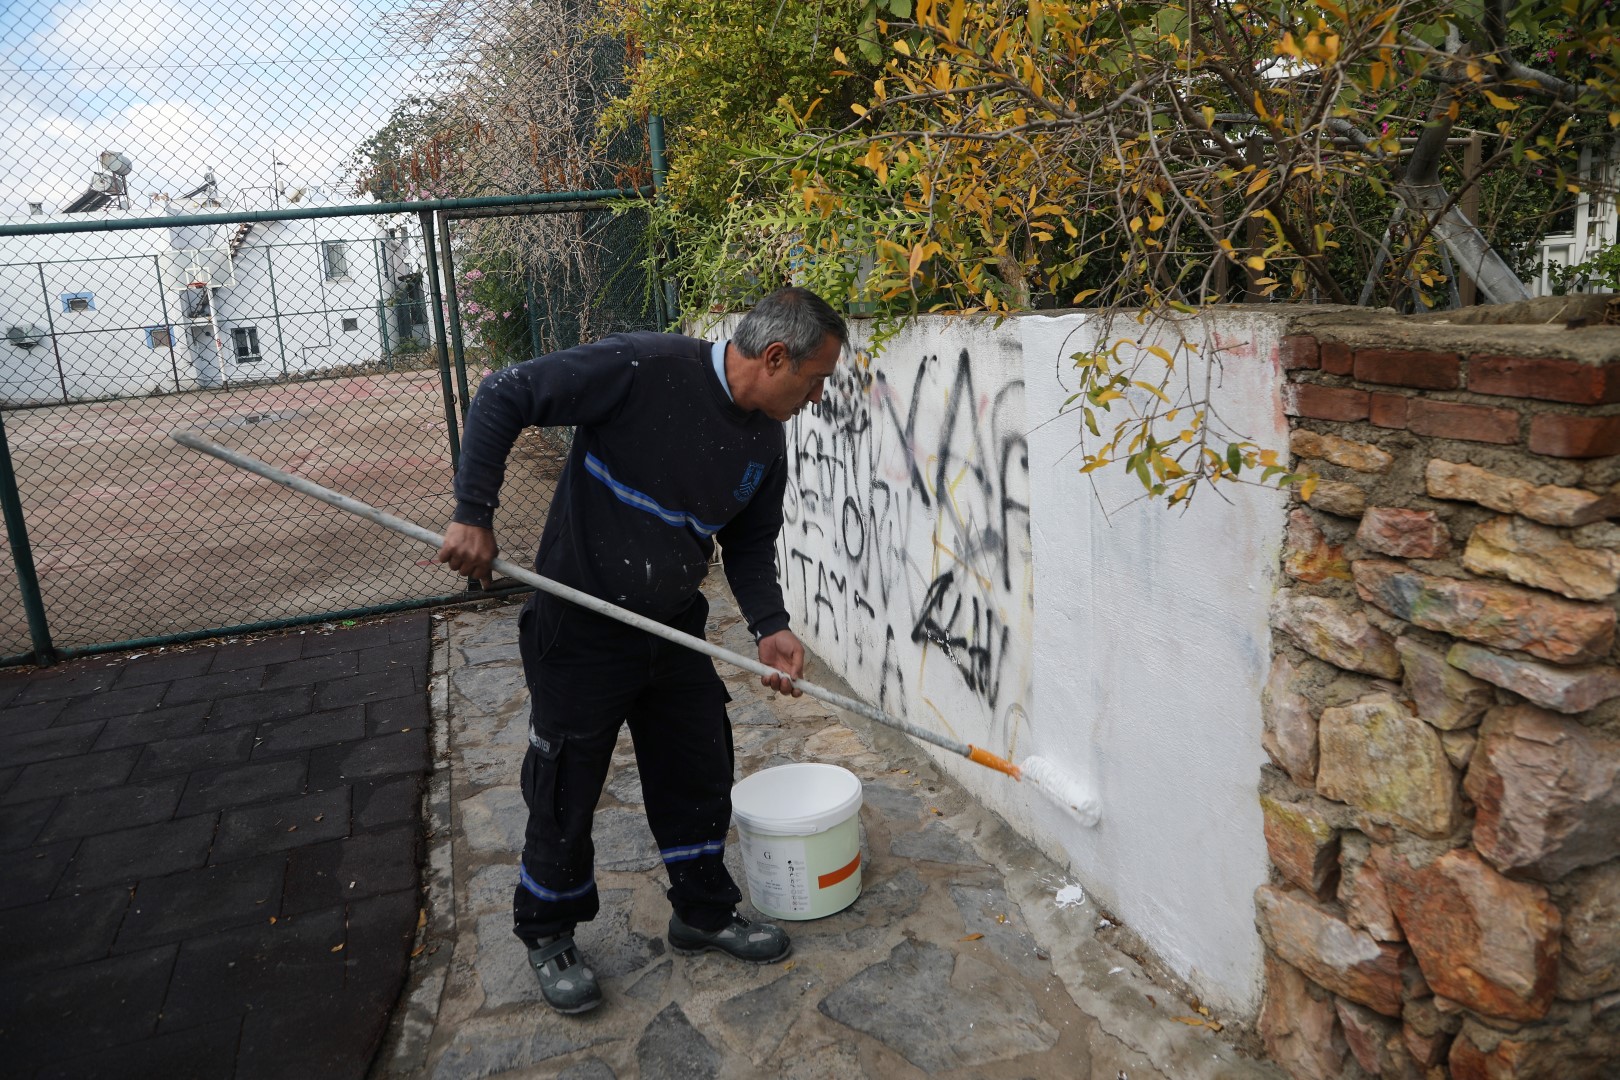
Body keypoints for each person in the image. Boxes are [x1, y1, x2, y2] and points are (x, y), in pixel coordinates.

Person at [436, 286, 847, 1014]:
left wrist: (770, 625)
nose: (816, 397)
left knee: (699, 765)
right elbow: (505, 393)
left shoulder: (764, 441)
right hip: (580, 626)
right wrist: (474, 513)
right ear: (775, 357)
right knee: (566, 786)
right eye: (814, 379)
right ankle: (547, 929)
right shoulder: (641, 366)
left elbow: (747, 546)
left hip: (671, 628)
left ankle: (703, 911)